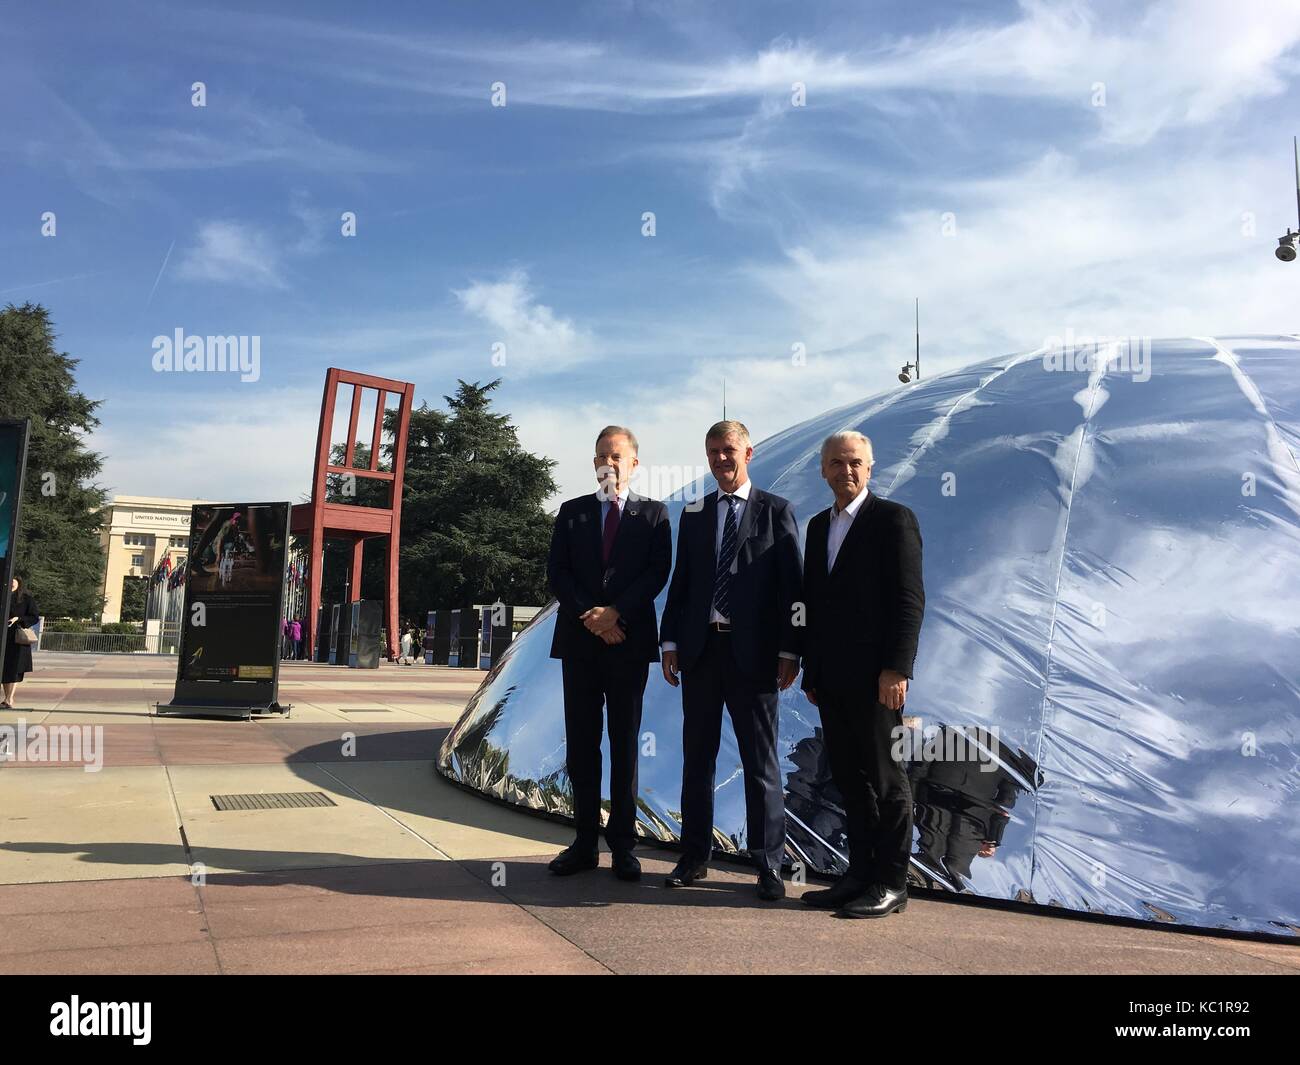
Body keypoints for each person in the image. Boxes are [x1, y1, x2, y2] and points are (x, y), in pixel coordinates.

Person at [659, 420, 803, 900]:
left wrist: (789, 650)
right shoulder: (695, 513)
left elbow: (791, 589)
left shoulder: (775, 511)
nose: (722, 458)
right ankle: (694, 855)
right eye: (714, 451)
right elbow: (682, 583)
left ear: (749, 452)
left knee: (759, 762)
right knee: (696, 759)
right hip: (701, 653)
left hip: (755, 657)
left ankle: (769, 864)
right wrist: (670, 642)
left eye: (730, 450)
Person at [799, 431, 925, 919]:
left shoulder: (893, 520)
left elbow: (909, 599)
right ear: (823, 470)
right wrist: (812, 669)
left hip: (878, 679)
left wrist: (897, 667)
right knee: (850, 781)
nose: (845, 471)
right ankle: (859, 875)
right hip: (831, 678)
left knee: (887, 781)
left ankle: (892, 883)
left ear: (870, 468)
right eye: (835, 463)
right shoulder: (816, 527)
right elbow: (812, 603)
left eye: (854, 463)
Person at [546, 426, 671, 881]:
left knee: (624, 745)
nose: (609, 463)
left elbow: (657, 573)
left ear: (634, 463)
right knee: (582, 745)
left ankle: (623, 846)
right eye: (601, 456)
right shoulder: (572, 512)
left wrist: (616, 613)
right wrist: (594, 617)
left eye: (617, 456)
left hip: (629, 644)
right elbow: (557, 573)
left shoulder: (654, 515)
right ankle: (583, 842)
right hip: (580, 645)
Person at [2, 576, 39, 710]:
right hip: (4, 638)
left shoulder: (26, 599)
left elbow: (34, 617)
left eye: (13, 583)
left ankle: (10, 698)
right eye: (9, 582)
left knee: (15, 669)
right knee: (4, 669)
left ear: (19, 584)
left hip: (18, 639)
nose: (11, 585)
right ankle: (6, 698)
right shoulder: (3, 596)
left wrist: (19, 618)